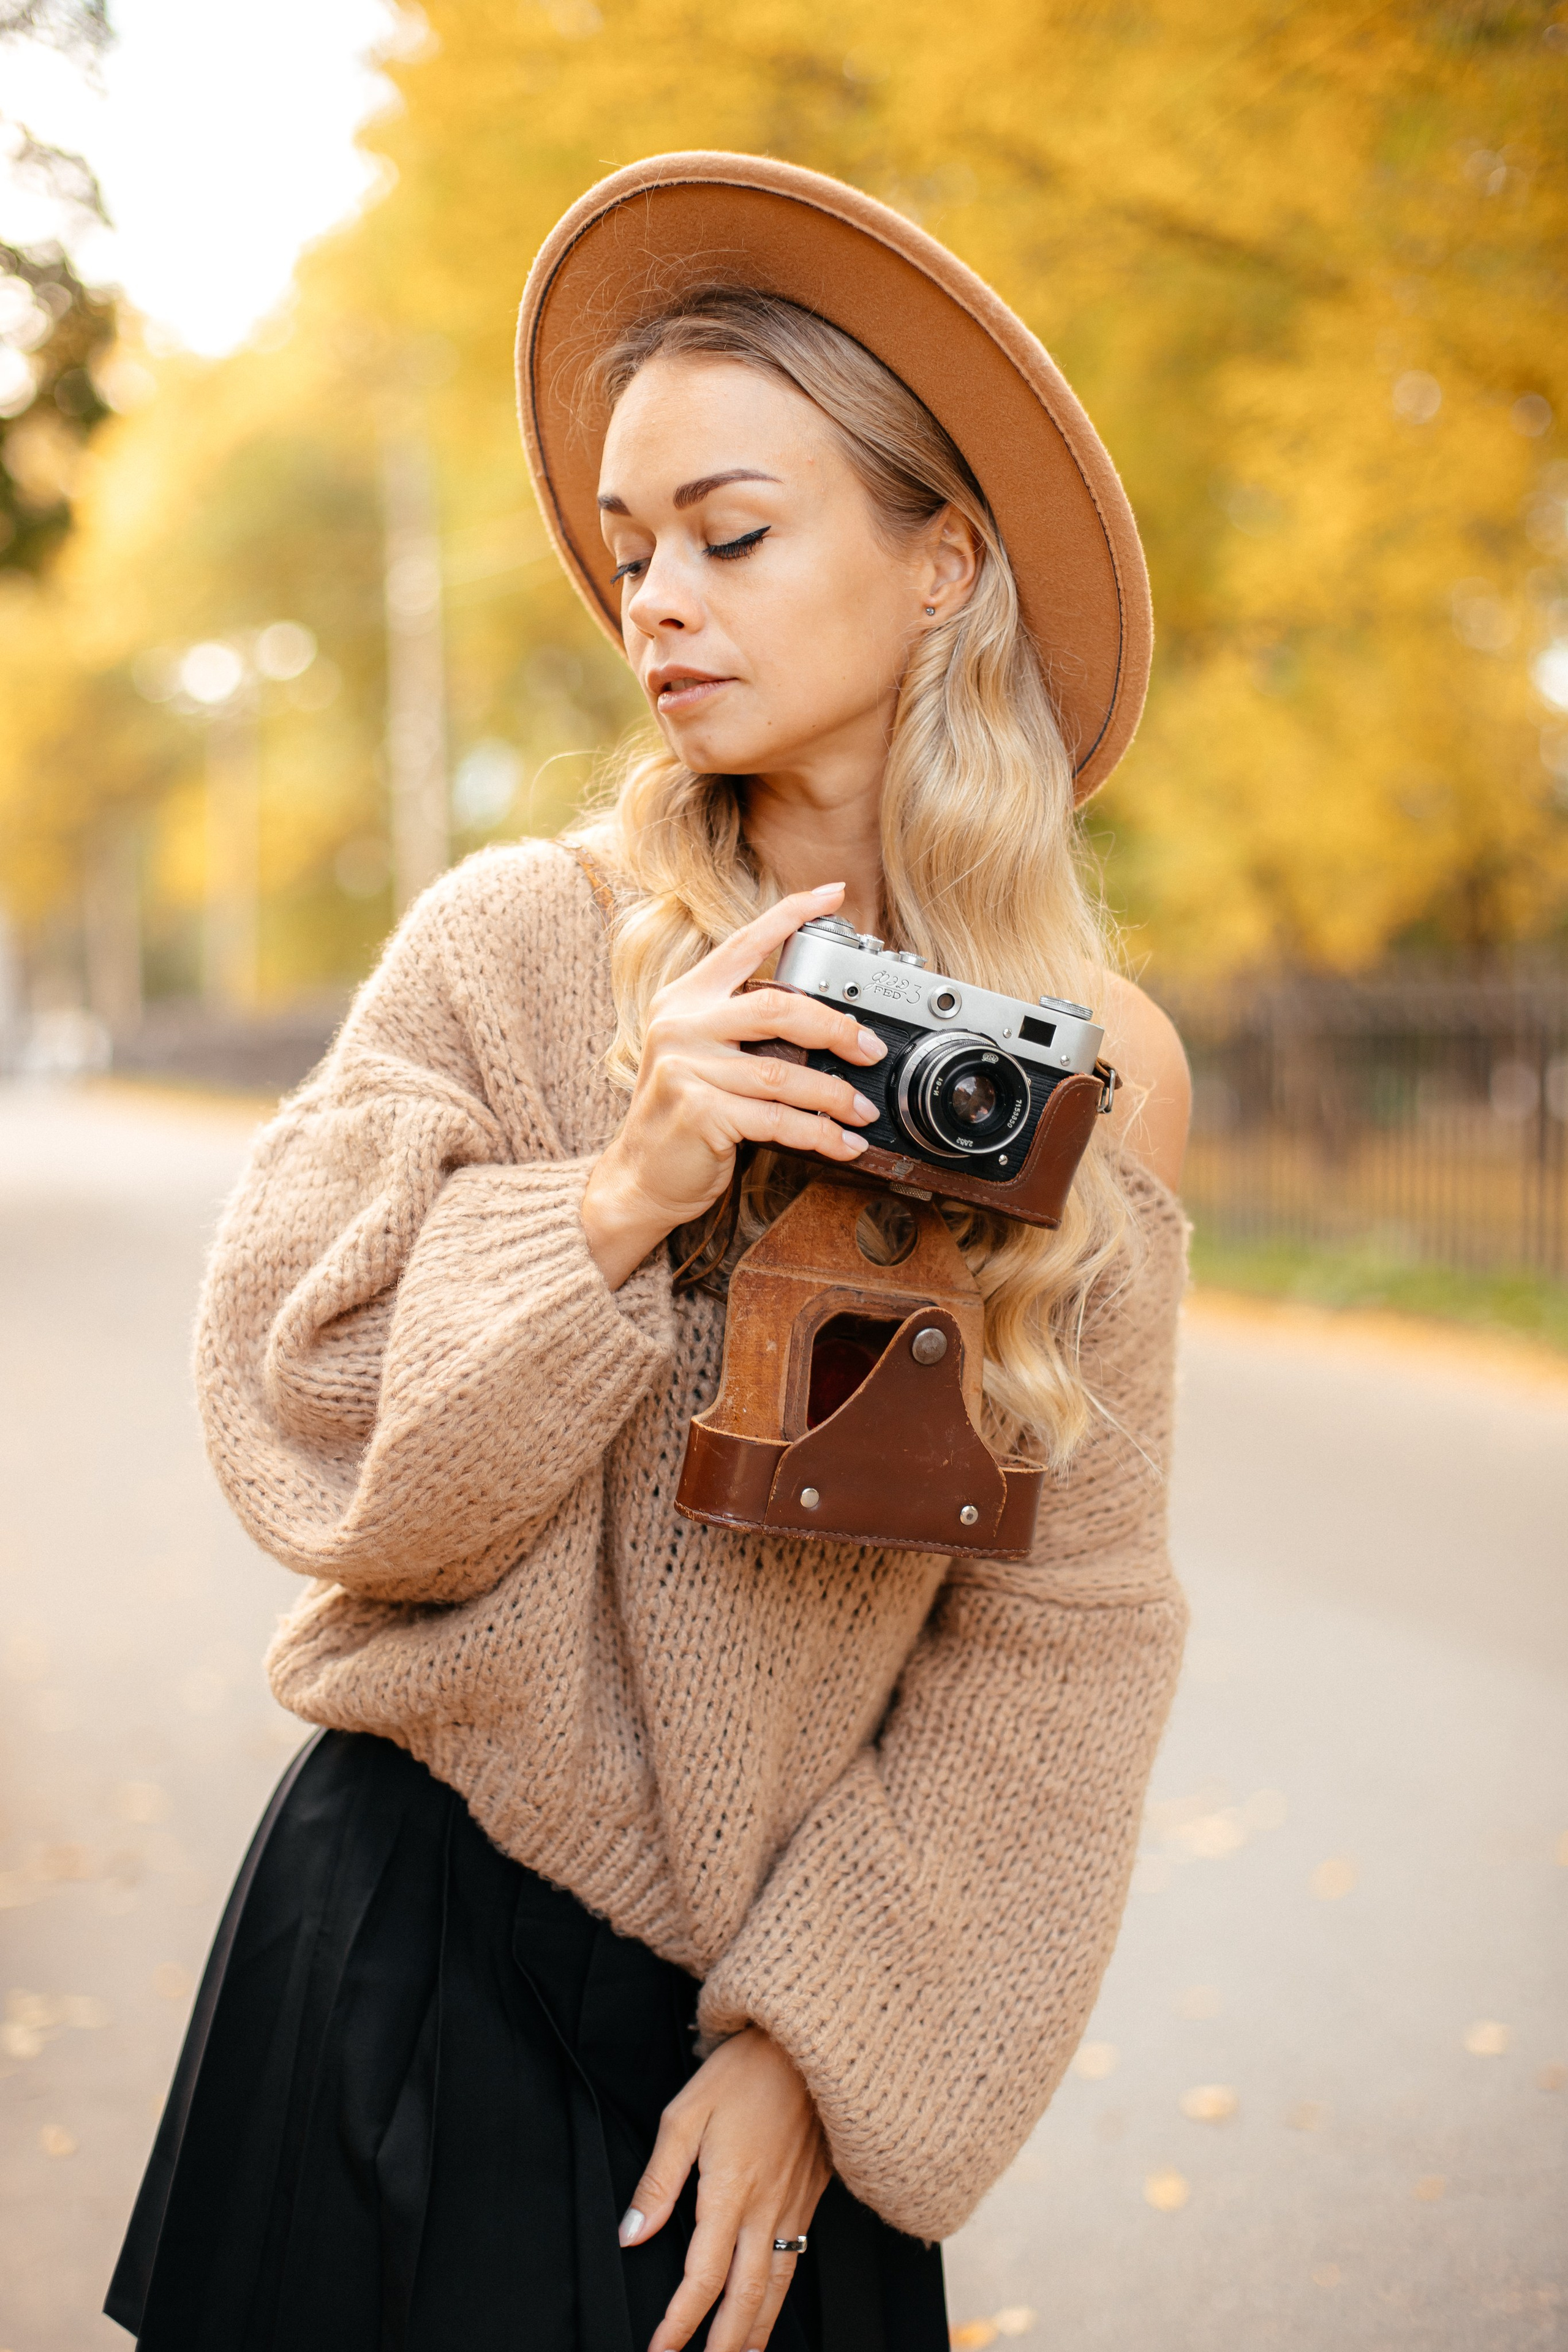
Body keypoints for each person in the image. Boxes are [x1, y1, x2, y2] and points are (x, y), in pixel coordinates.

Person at [108, 154, 1191, 2352]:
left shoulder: (1098, 1075)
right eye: (629, 551)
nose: (658, 603)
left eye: (731, 532)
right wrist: (625, 1184)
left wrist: (821, 2044)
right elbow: (315, 1447)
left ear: (940, 562)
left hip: (792, 2046)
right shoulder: (517, 946)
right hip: (408, 1953)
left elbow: (1063, 1641)